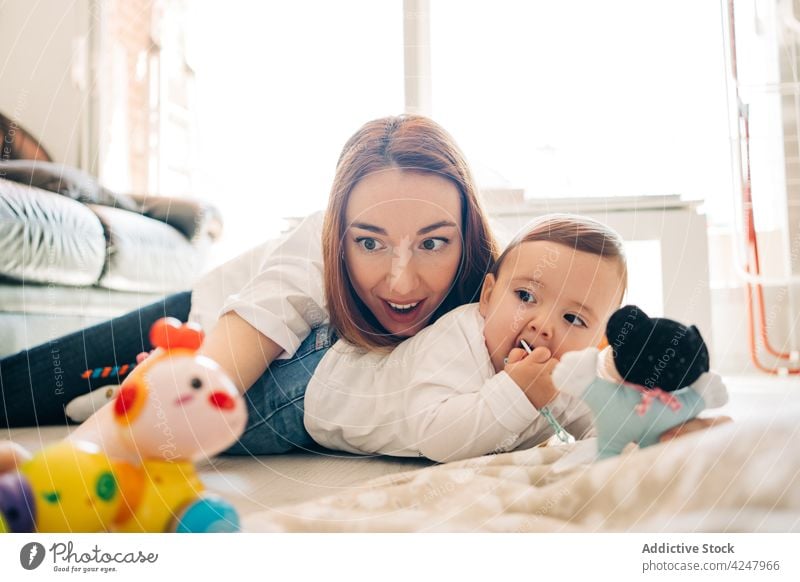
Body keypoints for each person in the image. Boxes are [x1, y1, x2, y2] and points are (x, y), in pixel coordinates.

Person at [301, 215, 625, 462]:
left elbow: (600, 426)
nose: (542, 326)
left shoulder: (571, 375)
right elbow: (436, 438)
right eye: (525, 295)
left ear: (598, 342)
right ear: (488, 296)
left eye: (573, 318)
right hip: (315, 384)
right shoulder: (459, 338)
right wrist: (518, 393)